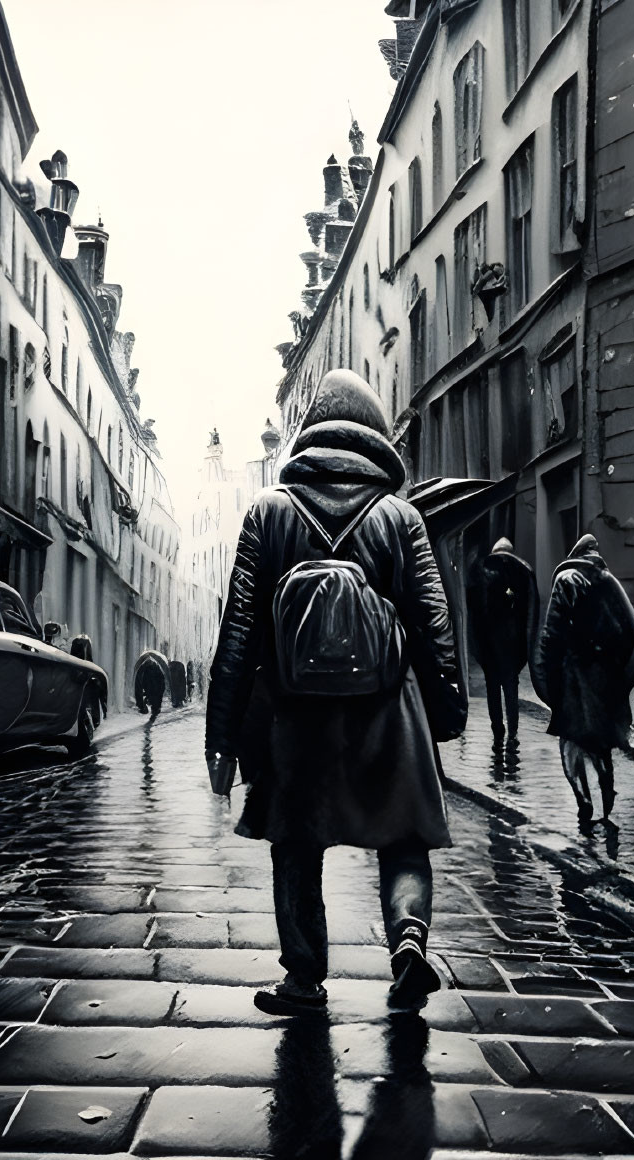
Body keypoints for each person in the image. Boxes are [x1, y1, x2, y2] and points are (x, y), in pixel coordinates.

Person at [206, 369, 466, 1018]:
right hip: (388, 704)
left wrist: (224, 735)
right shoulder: (400, 517)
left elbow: (238, 629)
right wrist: (447, 708)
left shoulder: (268, 512)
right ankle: (407, 943)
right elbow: (433, 621)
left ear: (308, 434)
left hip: (297, 710)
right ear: (375, 437)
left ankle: (303, 977)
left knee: (296, 844)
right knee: (404, 838)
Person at [532, 533, 634, 826]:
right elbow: (632, 633)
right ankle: (607, 792)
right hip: (605, 678)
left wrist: (545, 673)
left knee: (570, 742)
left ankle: (584, 800)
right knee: (600, 742)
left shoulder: (567, 579)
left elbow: (552, 631)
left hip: (574, 679)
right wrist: (622, 676)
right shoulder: (608, 581)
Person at [465, 537, 539, 744]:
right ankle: (512, 732)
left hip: (489, 642)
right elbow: (528, 610)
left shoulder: (484, 571)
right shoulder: (522, 572)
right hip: (512, 644)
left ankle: (498, 729)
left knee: (493, 687)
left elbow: (474, 609)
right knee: (510, 686)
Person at [133, 649, 168, 723]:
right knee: (155, 701)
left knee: (155, 701)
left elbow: (140, 685)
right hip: (153, 689)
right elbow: (161, 681)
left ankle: (154, 711)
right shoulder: (153, 667)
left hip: (152, 689)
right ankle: (154, 711)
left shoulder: (144, 668)